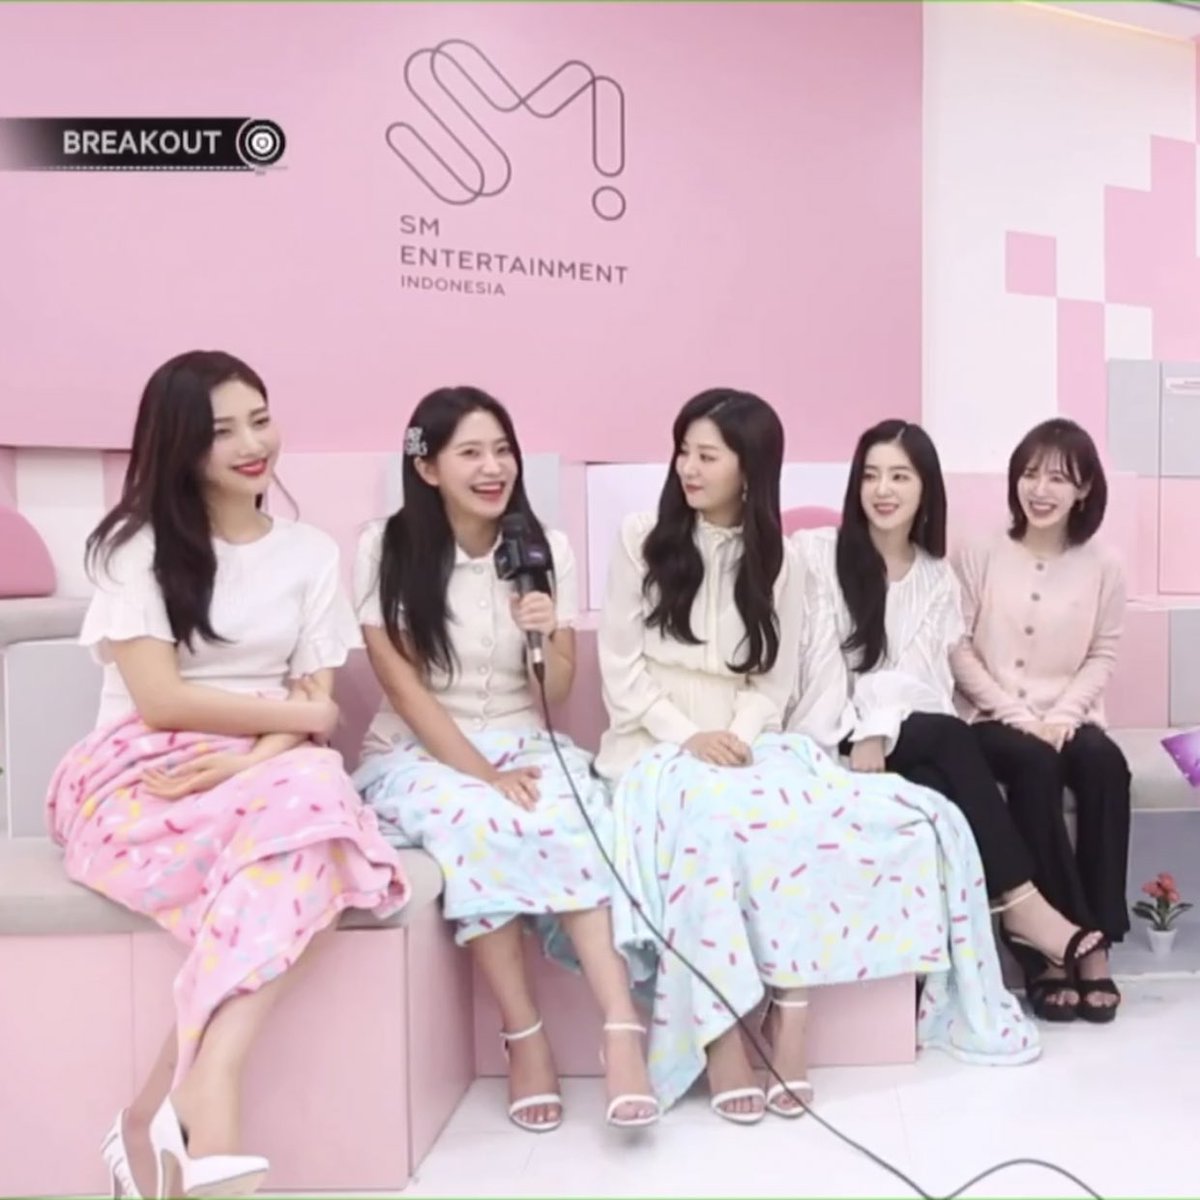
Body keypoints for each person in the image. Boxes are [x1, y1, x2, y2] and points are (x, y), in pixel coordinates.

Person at [597, 389, 1038, 1126]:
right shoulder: (640, 537)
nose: (687, 469)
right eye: (683, 453)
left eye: (707, 456)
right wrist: (689, 737)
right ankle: (721, 1034)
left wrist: (739, 737)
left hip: (749, 740)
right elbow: (621, 666)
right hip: (653, 743)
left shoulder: (780, 559)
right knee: (708, 825)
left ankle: (789, 1011)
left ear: (750, 469)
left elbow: (771, 683)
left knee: (803, 815)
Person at [47, 351, 408, 1200]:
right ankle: (173, 1108)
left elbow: (319, 699)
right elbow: (162, 698)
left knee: (312, 807)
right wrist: (294, 724)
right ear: (180, 444)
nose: (254, 445)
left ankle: (197, 1091)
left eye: (261, 419)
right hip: (141, 773)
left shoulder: (310, 552)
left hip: (267, 768)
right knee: (317, 831)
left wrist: (264, 750)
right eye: (223, 431)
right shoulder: (133, 549)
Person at [351, 386, 658, 1132]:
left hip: (524, 738)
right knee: (475, 820)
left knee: (574, 818)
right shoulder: (384, 549)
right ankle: (525, 1037)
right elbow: (405, 690)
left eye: (502, 450)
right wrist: (482, 776)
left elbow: (558, 690)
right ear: (427, 468)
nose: (494, 468)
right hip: (419, 751)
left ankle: (621, 1027)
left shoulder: (545, 549)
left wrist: (543, 630)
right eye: (471, 453)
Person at [798, 419, 1107, 1022]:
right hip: (829, 730)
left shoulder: (935, 578)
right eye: (870, 475)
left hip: (899, 732)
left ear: (925, 490)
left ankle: (925, 978)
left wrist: (880, 724)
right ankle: (1021, 902)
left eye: (900, 477)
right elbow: (821, 671)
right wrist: (865, 730)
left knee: (940, 781)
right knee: (949, 745)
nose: (882, 490)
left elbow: (928, 687)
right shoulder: (816, 554)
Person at [951, 418, 1130, 1021]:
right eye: (1030, 474)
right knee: (1033, 765)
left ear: (1085, 489)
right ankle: (1046, 955)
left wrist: (1065, 715)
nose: (1040, 490)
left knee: (1105, 766)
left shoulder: (1105, 565)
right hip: (990, 715)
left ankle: (1097, 941)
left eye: (1058, 478)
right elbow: (957, 647)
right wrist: (1016, 714)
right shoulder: (979, 551)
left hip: (1069, 715)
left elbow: (1103, 651)